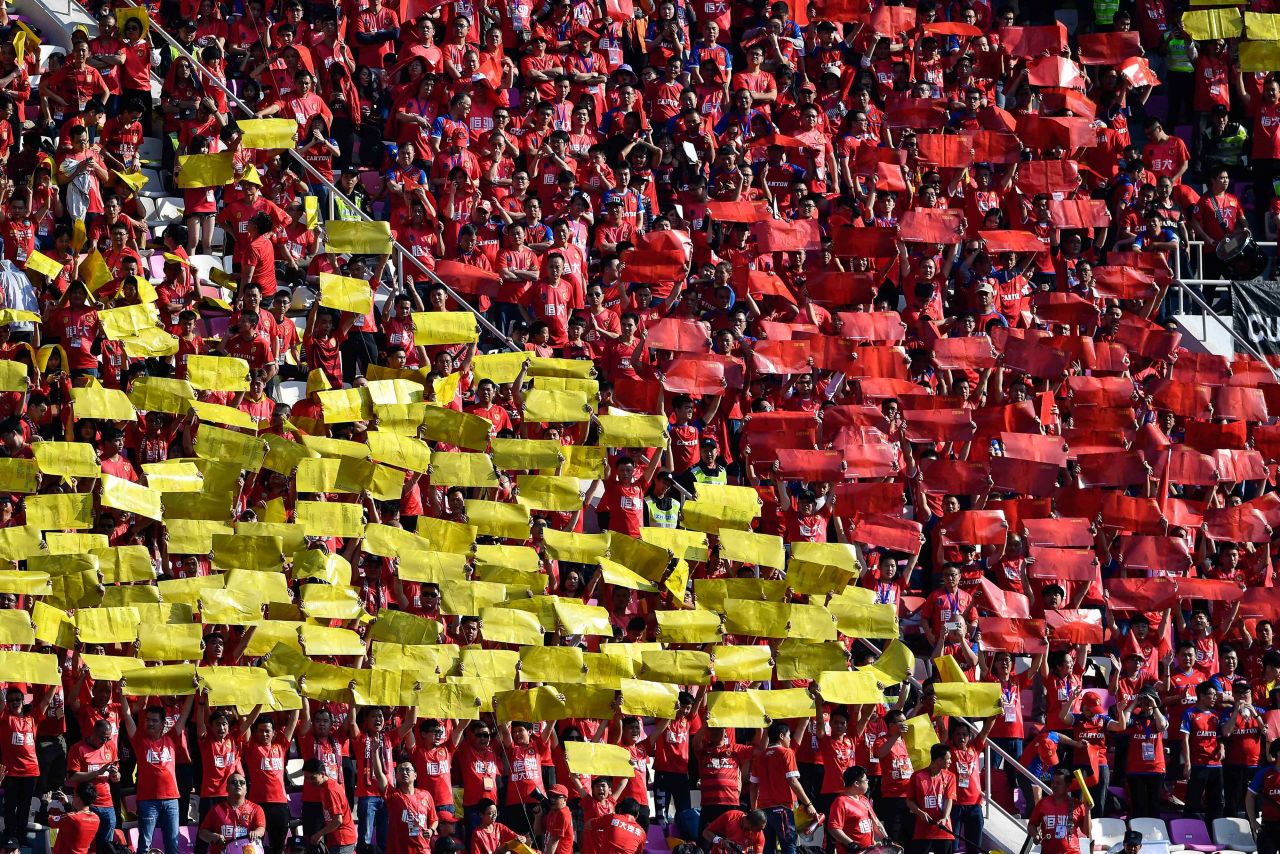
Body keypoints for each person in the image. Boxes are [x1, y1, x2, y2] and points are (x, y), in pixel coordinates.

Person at [197, 773, 267, 854]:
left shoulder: (256, 809)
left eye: (242, 782)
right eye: (234, 782)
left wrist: (256, 833)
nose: (238, 784)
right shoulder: (216, 810)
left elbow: (261, 829)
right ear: (226, 788)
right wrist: (213, 836)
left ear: (246, 789)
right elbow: (202, 833)